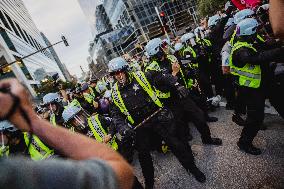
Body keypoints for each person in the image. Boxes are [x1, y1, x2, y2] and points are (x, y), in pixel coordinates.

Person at [0, 78, 134, 189]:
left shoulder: (69, 109)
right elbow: (119, 174)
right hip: (65, 157)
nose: (50, 108)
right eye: (48, 106)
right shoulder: (19, 171)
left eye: (52, 105)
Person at [109, 57, 206, 188]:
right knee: (144, 157)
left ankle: (192, 168)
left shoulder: (142, 75)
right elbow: (116, 115)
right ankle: (149, 184)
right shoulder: (114, 93)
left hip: (158, 117)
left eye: (121, 71)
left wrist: (177, 85)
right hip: (140, 126)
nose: (119, 75)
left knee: (177, 144)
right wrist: (123, 127)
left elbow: (163, 77)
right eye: (115, 73)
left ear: (126, 70)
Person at [229, 18, 283, 155]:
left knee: (279, 100)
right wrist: (279, 51)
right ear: (250, 32)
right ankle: (244, 143)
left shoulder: (249, 42)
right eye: (256, 30)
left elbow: (264, 47)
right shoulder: (240, 49)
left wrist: (278, 44)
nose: (258, 32)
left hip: (264, 83)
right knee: (255, 118)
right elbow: (256, 57)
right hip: (251, 89)